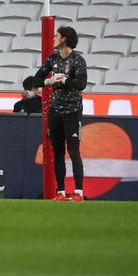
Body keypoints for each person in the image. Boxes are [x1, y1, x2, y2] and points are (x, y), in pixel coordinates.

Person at [29, 26, 89, 201]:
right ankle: (61, 192)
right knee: (57, 152)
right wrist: (50, 80)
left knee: (74, 151)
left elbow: (81, 84)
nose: (54, 38)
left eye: (57, 35)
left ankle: (78, 192)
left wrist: (65, 80)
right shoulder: (52, 59)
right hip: (55, 111)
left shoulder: (77, 60)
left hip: (72, 111)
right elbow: (35, 80)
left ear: (64, 39)